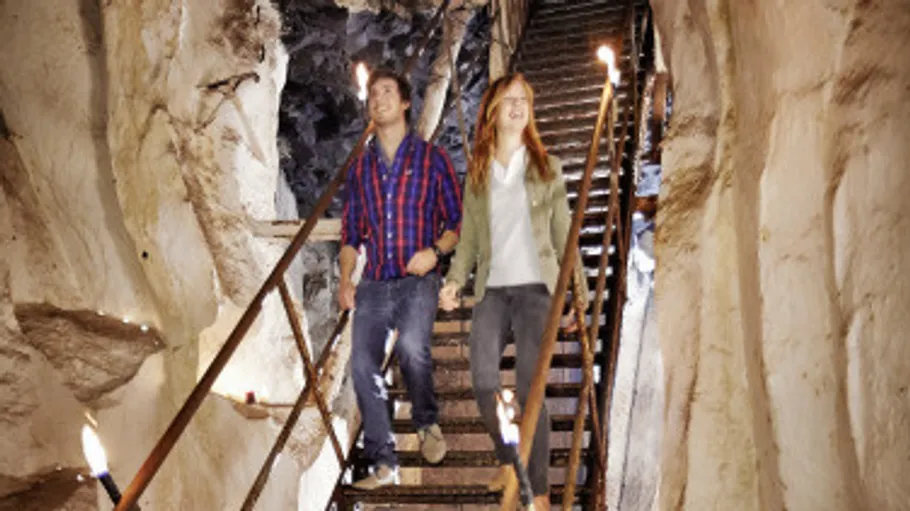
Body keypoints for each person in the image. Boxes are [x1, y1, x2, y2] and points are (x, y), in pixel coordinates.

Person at [439, 73, 588, 510]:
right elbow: (467, 241)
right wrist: (453, 280)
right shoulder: (479, 173)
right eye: (509, 100)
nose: (518, 107)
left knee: (531, 388)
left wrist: (577, 293)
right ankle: (509, 459)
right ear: (492, 112)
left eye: (524, 99)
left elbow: (565, 236)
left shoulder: (547, 167)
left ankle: (537, 493)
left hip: (536, 291)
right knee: (483, 379)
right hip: (492, 289)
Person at [338, 67, 462, 490]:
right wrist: (344, 279)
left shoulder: (433, 158)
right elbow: (351, 234)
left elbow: (457, 222)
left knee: (411, 347)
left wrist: (436, 252)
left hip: (417, 281)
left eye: (388, 91)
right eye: (373, 94)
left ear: (406, 102)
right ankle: (383, 462)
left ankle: (426, 421)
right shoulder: (360, 170)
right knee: (361, 365)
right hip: (374, 283)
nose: (379, 99)